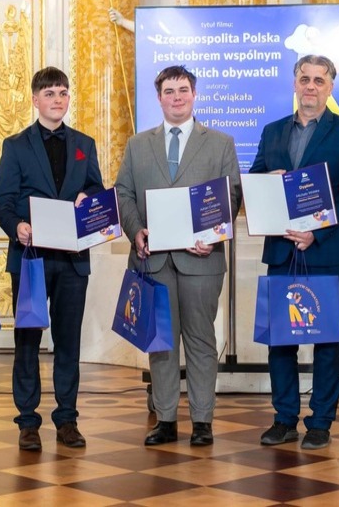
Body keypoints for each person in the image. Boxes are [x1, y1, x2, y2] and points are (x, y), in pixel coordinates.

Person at [115, 65, 241, 447]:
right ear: (159, 98)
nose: (177, 97)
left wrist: (213, 235)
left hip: (201, 259)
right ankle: (166, 420)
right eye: (169, 91)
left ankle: (202, 422)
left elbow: (232, 195)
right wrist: (135, 230)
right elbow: (123, 193)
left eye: (183, 90)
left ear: (194, 94)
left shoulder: (220, 143)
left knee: (201, 341)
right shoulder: (137, 145)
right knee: (160, 343)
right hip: (152, 260)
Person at [249, 54, 339, 450]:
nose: (310, 86)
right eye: (304, 79)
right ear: (295, 83)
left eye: (319, 80)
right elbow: (255, 181)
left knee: (327, 343)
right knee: (281, 340)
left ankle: (320, 423)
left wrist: (317, 232)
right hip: (282, 250)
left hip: (327, 251)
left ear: (330, 87)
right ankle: (284, 419)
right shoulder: (272, 131)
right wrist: (267, 180)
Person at [0, 66, 104, 451]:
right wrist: (18, 227)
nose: (58, 99)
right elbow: (3, 201)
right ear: (35, 100)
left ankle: (67, 419)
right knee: (27, 340)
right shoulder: (15, 145)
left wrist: (90, 197)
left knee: (68, 341)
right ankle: (27, 421)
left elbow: (96, 189)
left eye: (63, 92)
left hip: (73, 259)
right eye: (50, 93)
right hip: (31, 257)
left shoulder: (85, 144)